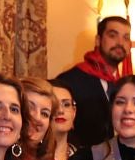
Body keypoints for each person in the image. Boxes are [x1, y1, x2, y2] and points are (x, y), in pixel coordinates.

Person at [55, 15, 130, 149]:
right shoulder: (70, 81)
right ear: (98, 40)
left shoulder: (125, 86)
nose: (120, 42)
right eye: (113, 35)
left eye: (126, 37)